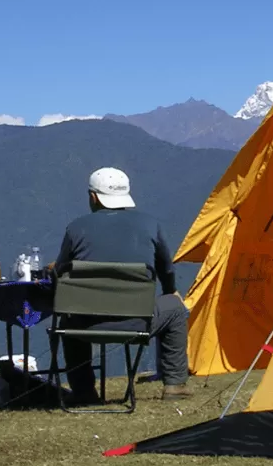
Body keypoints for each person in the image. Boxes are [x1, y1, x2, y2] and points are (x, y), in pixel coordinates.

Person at [53, 166, 191, 402]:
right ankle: (175, 385)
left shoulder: (76, 228)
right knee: (176, 309)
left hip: (85, 325)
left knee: (67, 319)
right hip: (138, 321)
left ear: (93, 197)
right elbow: (166, 268)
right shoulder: (150, 225)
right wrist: (171, 291)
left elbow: (60, 272)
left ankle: (84, 392)